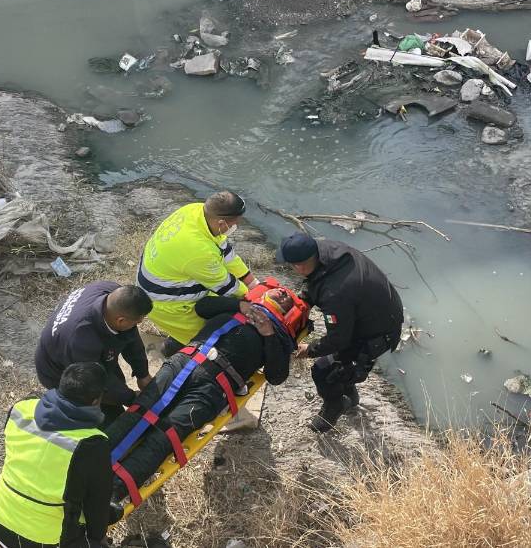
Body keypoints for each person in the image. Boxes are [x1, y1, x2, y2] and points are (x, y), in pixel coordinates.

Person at [107, 288, 300, 505]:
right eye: (280, 290)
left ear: (287, 314)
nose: (283, 293)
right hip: (184, 361)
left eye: (287, 299)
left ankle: (112, 493)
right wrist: (240, 306)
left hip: (214, 386)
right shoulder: (238, 305)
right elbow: (203, 307)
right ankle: (88, 461)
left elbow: (276, 376)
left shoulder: (277, 337)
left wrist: (268, 335)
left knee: (166, 435)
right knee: (140, 411)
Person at [277, 233, 403, 433]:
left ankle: (334, 406)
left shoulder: (335, 294)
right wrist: (304, 301)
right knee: (342, 369)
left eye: (292, 265)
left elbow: (338, 339)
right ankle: (351, 397)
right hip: (378, 310)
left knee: (323, 371)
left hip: (375, 333)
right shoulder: (328, 249)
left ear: (300, 266)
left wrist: (309, 349)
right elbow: (316, 281)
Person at [0, 362, 112, 548]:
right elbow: (97, 504)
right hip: (44, 540)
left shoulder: (21, 408)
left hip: (0, 522)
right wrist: (98, 538)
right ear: (96, 400)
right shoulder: (92, 443)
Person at [137, 191, 260, 349]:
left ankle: (176, 340)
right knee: (208, 340)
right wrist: (255, 298)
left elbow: (224, 250)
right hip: (165, 302)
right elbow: (228, 287)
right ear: (222, 223)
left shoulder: (195, 211)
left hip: (164, 275)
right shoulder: (199, 251)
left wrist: (252, 282)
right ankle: (175, 348)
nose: (238, 225)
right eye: (236, 223)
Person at [35, 282, 154, 423]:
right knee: (105, 415)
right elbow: (99, 381)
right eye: (136, 323)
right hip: (57, 370)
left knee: (115, 384)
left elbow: (130, 336)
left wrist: (143, 374)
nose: (136, 326)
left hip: (82, 352)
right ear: (120, 320)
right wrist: (131, 398)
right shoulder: (82, 339)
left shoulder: (113, 293)